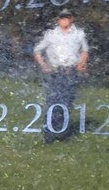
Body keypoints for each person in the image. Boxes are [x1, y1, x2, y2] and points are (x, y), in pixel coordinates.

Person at [33, 8, 89, 142]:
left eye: (67, 17)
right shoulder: (51, 34)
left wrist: (82, 63)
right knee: (53, 100)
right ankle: (49, 133)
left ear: (71, 19)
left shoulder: (79, 34)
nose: (64, 20)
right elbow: (37, 50)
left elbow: (85, 50)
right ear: (58, 20)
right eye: (62, 18)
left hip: (70, 71)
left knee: (67, 101)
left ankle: (63, 132)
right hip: (55, 72)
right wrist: (43, 65)